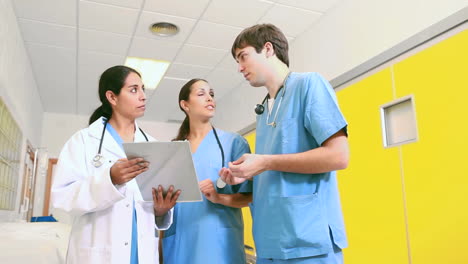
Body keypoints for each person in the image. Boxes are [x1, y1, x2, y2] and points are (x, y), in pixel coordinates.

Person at [220, 24, 350, 264]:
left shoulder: (308, 85)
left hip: (308, 241)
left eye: (243, 56)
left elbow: (338, 156)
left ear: (267, 49)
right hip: (271, 242)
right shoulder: (263, 111)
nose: (239, 68)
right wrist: (246, 175)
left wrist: (264, 162)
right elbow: (276, 167)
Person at [51, 65, 180, 264]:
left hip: (141, 255)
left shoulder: (153, 146)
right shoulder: (84, 141)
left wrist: (161, 211)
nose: (143, 96)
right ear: (112, 97)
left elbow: (146, 208)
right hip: (98, 255)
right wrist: (110, 180)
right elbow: (62, 199)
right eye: (134, 89)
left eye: (143, 89)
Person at [162, 79, 253, 264]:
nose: (210, 98)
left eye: (211, 94)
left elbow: (248, 196)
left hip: (218, 242)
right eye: (201, 94)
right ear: (185, 105)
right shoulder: (174, 149)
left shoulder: (233, 143)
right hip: (180, 240)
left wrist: (219, 198)